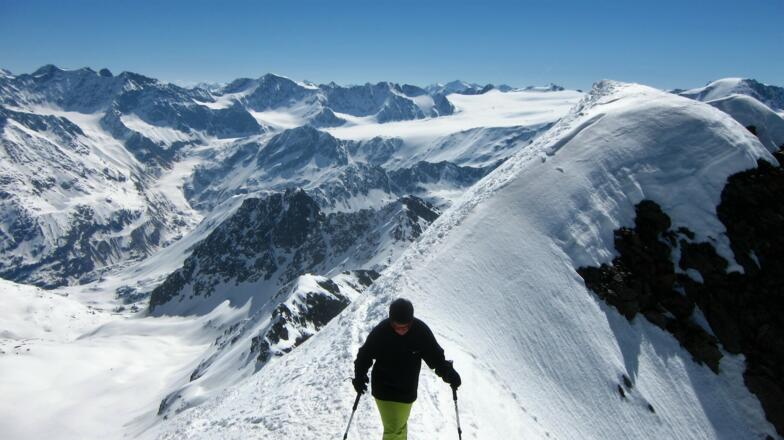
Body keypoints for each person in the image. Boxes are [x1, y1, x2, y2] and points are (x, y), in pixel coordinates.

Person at [353, 298, 461, 440]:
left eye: (406, 327)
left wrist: (448, 373)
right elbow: (364, 355)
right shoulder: (382, 331)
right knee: (394, 431)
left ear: (411, 321)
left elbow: (435, 358)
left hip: (407, 391)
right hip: (384, 389)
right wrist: (359, 376)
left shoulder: (420, 331)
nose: (402, 330)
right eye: (397, 326)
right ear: (391, 321)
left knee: (399, 426)